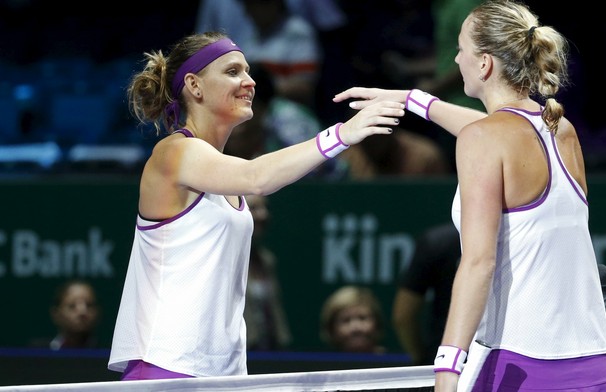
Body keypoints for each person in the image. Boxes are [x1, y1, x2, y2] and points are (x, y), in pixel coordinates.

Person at [333, 0, 606, 389]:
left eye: (461, 48)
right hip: (594, 368)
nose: (455, 58)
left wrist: (447, 369)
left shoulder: (483, 139)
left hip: (520, 369)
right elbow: (501, 126)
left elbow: (478, 263)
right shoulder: (559, 128)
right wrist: (411, 99)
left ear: (484, 63)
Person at [106, 31, 405, 381]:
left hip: (224, 373)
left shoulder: (221, 168)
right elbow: (257, 178)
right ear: (194, 85)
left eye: (248, 72)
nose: (249, 82)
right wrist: (340, 135)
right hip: (166, 367)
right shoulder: (174, 152)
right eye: (233, 72)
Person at [392, 222, 460, 366]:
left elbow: (403, 316)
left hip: (442, 360)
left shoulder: (437, 240)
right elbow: (402, 316)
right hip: (498, 357)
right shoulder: (515, 237)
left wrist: (422, 358)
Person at [243, 194, 292, 351]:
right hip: (239, 354)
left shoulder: (266, 260)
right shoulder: (222, 260)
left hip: (270, 352)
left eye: (265, 208)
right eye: (254, 208)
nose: (263, 215)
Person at [30, 279, 101, 350]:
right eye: (72, 306)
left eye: (89, 305)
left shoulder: (108, 353)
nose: (82, 312)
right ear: (56, 313)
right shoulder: (37, 351)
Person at [320, 286, 386, 354]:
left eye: (362, 318)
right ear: (331, 328)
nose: (356, 328)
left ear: (377, 323)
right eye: (346, 320)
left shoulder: (392, 360)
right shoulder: (319, 363)